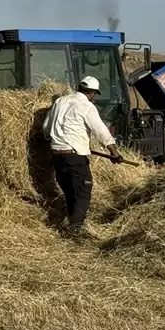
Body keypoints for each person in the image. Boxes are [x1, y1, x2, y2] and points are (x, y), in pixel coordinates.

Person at [43, 75, 123, 236]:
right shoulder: (86, 106)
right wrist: (114, 153)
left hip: (57, 156)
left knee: (70, 191)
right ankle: (75, 229)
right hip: (75, 157)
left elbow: (46, 127)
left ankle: (72, 222)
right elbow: (100, 130)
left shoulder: (60, 102)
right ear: (92, 93)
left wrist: (51, 140)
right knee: (83, 191)